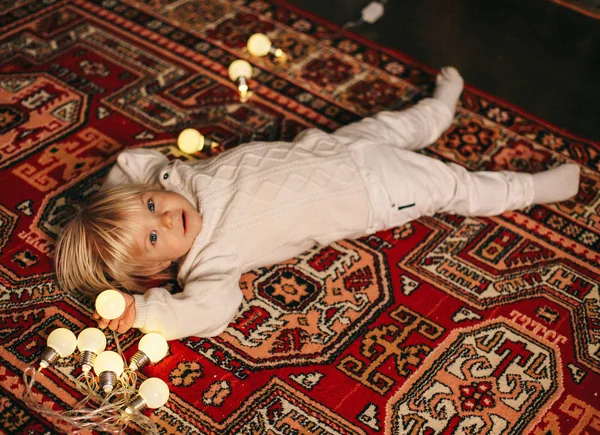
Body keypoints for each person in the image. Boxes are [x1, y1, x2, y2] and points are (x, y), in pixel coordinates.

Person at [55, 67, 580, 341]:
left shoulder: (177, 178)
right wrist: (143, 311)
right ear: (163, 266)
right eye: (154, 235)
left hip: (335, 146)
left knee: (400, 126)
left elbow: (130, 163)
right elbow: (212, 311)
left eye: (149, 206)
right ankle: (532, 189)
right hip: (375, 192)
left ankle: (437, 112)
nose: (164, 216)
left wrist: (113, 206)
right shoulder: (211, 259)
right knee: (454, 184)